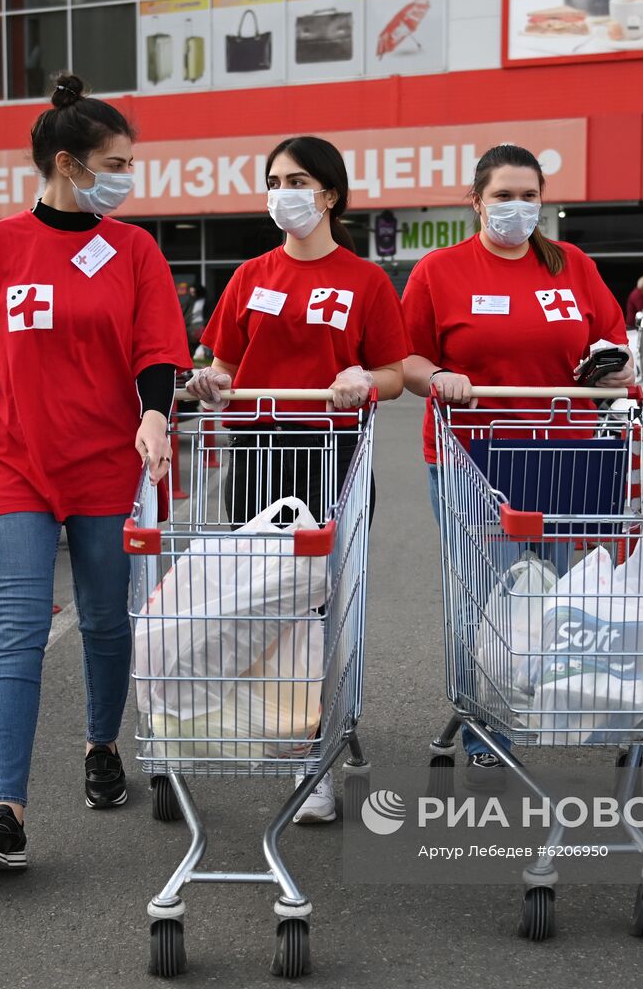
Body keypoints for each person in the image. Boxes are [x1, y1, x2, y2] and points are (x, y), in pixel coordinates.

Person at [0, 73, 192, 871]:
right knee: (15, 634)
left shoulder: (134, 250)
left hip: (106, 468)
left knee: (106, 621)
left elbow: (157, 350)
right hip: (16, 467)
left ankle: (101, 745)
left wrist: (153, 414)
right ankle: (5, 812)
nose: (125, 176)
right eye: (113, 162)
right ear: (65, 163)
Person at [186, 135, 408, 823]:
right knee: (264, 602)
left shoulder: (365, 281)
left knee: (319, 607)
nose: (285, 191)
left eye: (300, 180)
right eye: (276, 179)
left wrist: (360, 378)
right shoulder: (251, 275)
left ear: (331, 195)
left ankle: (312, 758)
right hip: (257, 456)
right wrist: (211, 382)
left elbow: (395, 375)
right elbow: (222, 361)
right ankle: (279, 731)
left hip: (331, 455)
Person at [401, 143, 633, 792]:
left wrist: (614, 369)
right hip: (475, 459)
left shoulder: (572, 267)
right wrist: (441, 375)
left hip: (567, 457)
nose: (517, 207)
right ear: (474, 202)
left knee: (568, 597)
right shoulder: (439, 272)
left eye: (528, 195)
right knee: (493, 601)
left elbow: (611, 347)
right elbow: (408, 359)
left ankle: (561, 707)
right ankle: (489, 728)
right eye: (503, 195)